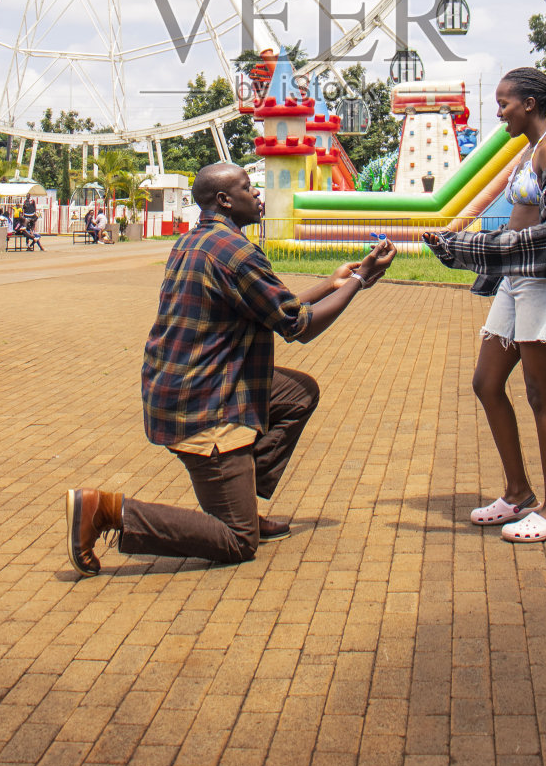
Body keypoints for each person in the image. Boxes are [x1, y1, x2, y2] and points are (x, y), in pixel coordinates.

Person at [66, 161, 396, 575]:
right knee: (238, 541)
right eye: (246, 187)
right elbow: (298, 327)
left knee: (297, 394)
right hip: (203, 403)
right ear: (224, 200)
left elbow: (273, 307)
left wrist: (336, 283)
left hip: (182, 384)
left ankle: (239, 495)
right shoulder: (235, 251)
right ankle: (107, 510)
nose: (256, 193)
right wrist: (360, 283)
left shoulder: (198, 242)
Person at [422, 67, 546, 545]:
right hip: (514, 284)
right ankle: (518, 491)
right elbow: (525, 220)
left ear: (529, 104)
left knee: (541, 395)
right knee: (486, 382)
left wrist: (482, 246)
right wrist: (467, 244)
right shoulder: (530, 149)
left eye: (504, 103)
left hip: (541, 285)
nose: (498, 112)